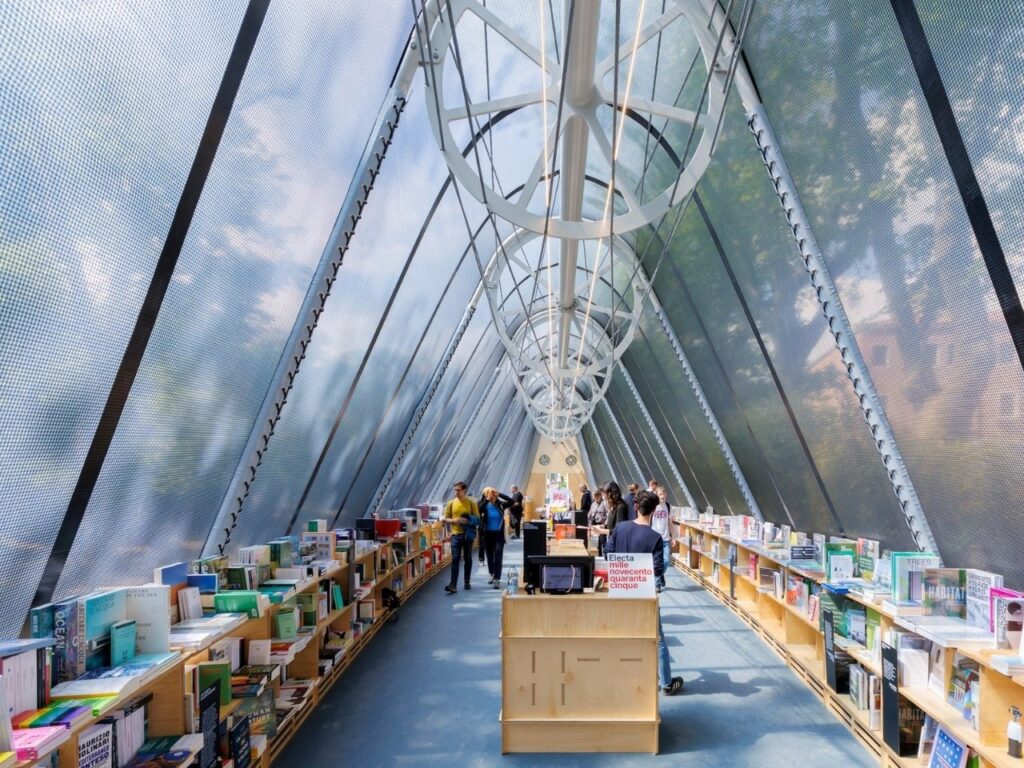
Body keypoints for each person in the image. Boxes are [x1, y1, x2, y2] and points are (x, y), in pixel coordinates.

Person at [606, 490, 683, 695]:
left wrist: (624, 568)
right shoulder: (654, 537)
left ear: (636, 507)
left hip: (620, 591)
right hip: (644, 593)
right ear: (654, 510)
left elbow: (608, 553)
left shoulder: (621, 528)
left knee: (621, 634)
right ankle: (666, 683)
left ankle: (622, 677)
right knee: (657, 638)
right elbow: (658, 569)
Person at [442, 481, 479, 594]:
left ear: (464, 490)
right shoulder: (451, 503)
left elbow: (477, 519)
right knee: (455, 559)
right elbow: (445, 519)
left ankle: (467, 581)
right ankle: (453, 584)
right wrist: (454, 520)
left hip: (468, 535)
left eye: (458, 490)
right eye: (455, 490)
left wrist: (467, 520)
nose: (456, 492)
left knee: (468, 558)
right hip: (456, 535)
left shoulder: (471, 502)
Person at [478, 486, 511, 588]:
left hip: (498, 535)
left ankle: (497, 578)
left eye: (493, 494)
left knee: (498, 556)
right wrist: (487, 499)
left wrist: (500, 494)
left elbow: (512, 501)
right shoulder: (484, 505)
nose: (492, 495)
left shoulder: (500, 505)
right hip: (487, 534)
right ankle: (492, 574)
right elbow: (478, 509)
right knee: (490, 556)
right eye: (489, 494)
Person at [651, 488, 672, 590]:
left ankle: (659, 574)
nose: (662, 496)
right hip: (655, 538)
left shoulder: (668, 506)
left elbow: (670, 522)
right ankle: (657, 584)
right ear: (656, 495)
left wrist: (674, 537)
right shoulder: (653, 506)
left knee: (667, 561)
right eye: (660, 494)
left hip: (666, 538)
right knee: (657, 561)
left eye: (663, 494)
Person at [587, 488, 609, 556]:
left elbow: (608, 514)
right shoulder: (593, 504)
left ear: (600, 495)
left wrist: (605, 524)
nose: (595, 498)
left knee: (603, 541)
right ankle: (596, 556)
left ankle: (605, 556)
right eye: (594, 496)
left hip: (601, 525)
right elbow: (589, 514)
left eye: (597, 496)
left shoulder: (605, 503)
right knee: (595, 542)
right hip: (594, 525)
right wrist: (589, 524)